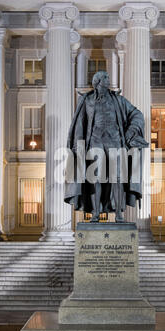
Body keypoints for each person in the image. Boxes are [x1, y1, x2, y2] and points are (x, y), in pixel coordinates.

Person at [64, 71, 148, 222]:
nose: (109, 80)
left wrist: (131, 131)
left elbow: (137, 114)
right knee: (95, 178)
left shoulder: (118, 100)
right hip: (95, 142)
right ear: (97, 82)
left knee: (118, 178)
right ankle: (95, 214)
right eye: (105, 78)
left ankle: (119, 214)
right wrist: (78, 145)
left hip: (116, 142)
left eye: (108, 77)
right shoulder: (87, 100)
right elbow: (79, 125)